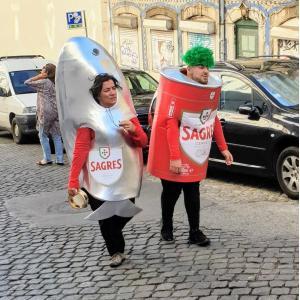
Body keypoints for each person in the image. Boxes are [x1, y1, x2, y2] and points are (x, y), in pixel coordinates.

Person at [148, 45, 233, 246]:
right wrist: (175, 157)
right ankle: (166, 226)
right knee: (171, 193)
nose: (205, 71)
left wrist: (223, 148)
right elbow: (170, 123)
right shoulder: (180, 88)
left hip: (194, 152)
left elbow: (212, 118)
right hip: (174, 153)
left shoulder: (205, 90)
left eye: (207, 67)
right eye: (201, 66)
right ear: (190, 68)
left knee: (193, 193)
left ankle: (194, 231)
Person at [68, 73, 147, 267]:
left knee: (125, 211)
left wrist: (135, 131)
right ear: (98, 94)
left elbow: (144, 142)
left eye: (114, 88)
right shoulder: (89, 118)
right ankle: (116, 252)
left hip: (124, 177)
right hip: (96, 177)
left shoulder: (126, 113)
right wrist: (73, 181)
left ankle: (115, 241)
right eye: (107, 90)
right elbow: (80, 151)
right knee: (104, 218)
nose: (112, 93)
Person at [24, 63, 64, 165]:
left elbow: (27, 82)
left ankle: (47, 158)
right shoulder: (57, 82)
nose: (40, 72)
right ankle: (59, 159)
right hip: (56, 111)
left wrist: (39, 76)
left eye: (42, 70)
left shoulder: (44, 82)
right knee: (56, 135)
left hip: (45, 112)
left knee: (43, 135)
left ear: (47, 73)